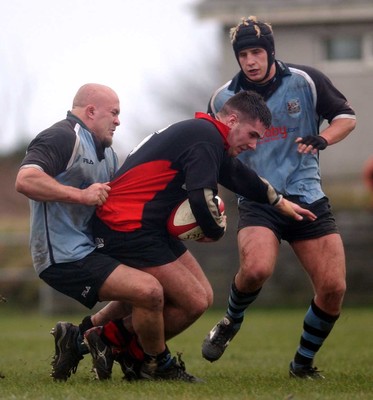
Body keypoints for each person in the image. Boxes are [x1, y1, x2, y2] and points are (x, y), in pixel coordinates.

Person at [75, 90, 316, 381]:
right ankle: (128, 351)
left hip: (145, 227)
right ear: (231, 119)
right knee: (192, 301)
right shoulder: (206, 138)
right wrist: (214, 230)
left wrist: (278, 202)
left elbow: (240, 176)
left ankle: (85, 338)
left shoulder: (207, 136)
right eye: (252, 135)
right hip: (126, 226)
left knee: (199, 297)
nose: (253, 145)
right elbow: (202, 197)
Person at [201, 16, 357, 379]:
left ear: (270, 51)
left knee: (333, 289)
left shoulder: (306, 81)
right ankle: (230, 321)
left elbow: (347, 117)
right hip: (260, 200)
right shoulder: (223, 98)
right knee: (256, 269)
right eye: (243, 55)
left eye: (256, 52)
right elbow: (211, 150)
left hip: (307, 197)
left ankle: (302, 364)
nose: (250, 61)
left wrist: (324, 138)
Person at [15, 83, 197, 383]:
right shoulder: (62, 136)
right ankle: (154, 365)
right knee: (149, 291)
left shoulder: (108, 155)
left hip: (93, 248)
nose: (118, 121)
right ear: (90, 111)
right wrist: (81, 195)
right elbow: (26, 180)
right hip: (62, 257)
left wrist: (180, 221)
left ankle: (78, 340)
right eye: (113, 113)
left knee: (156, 289)